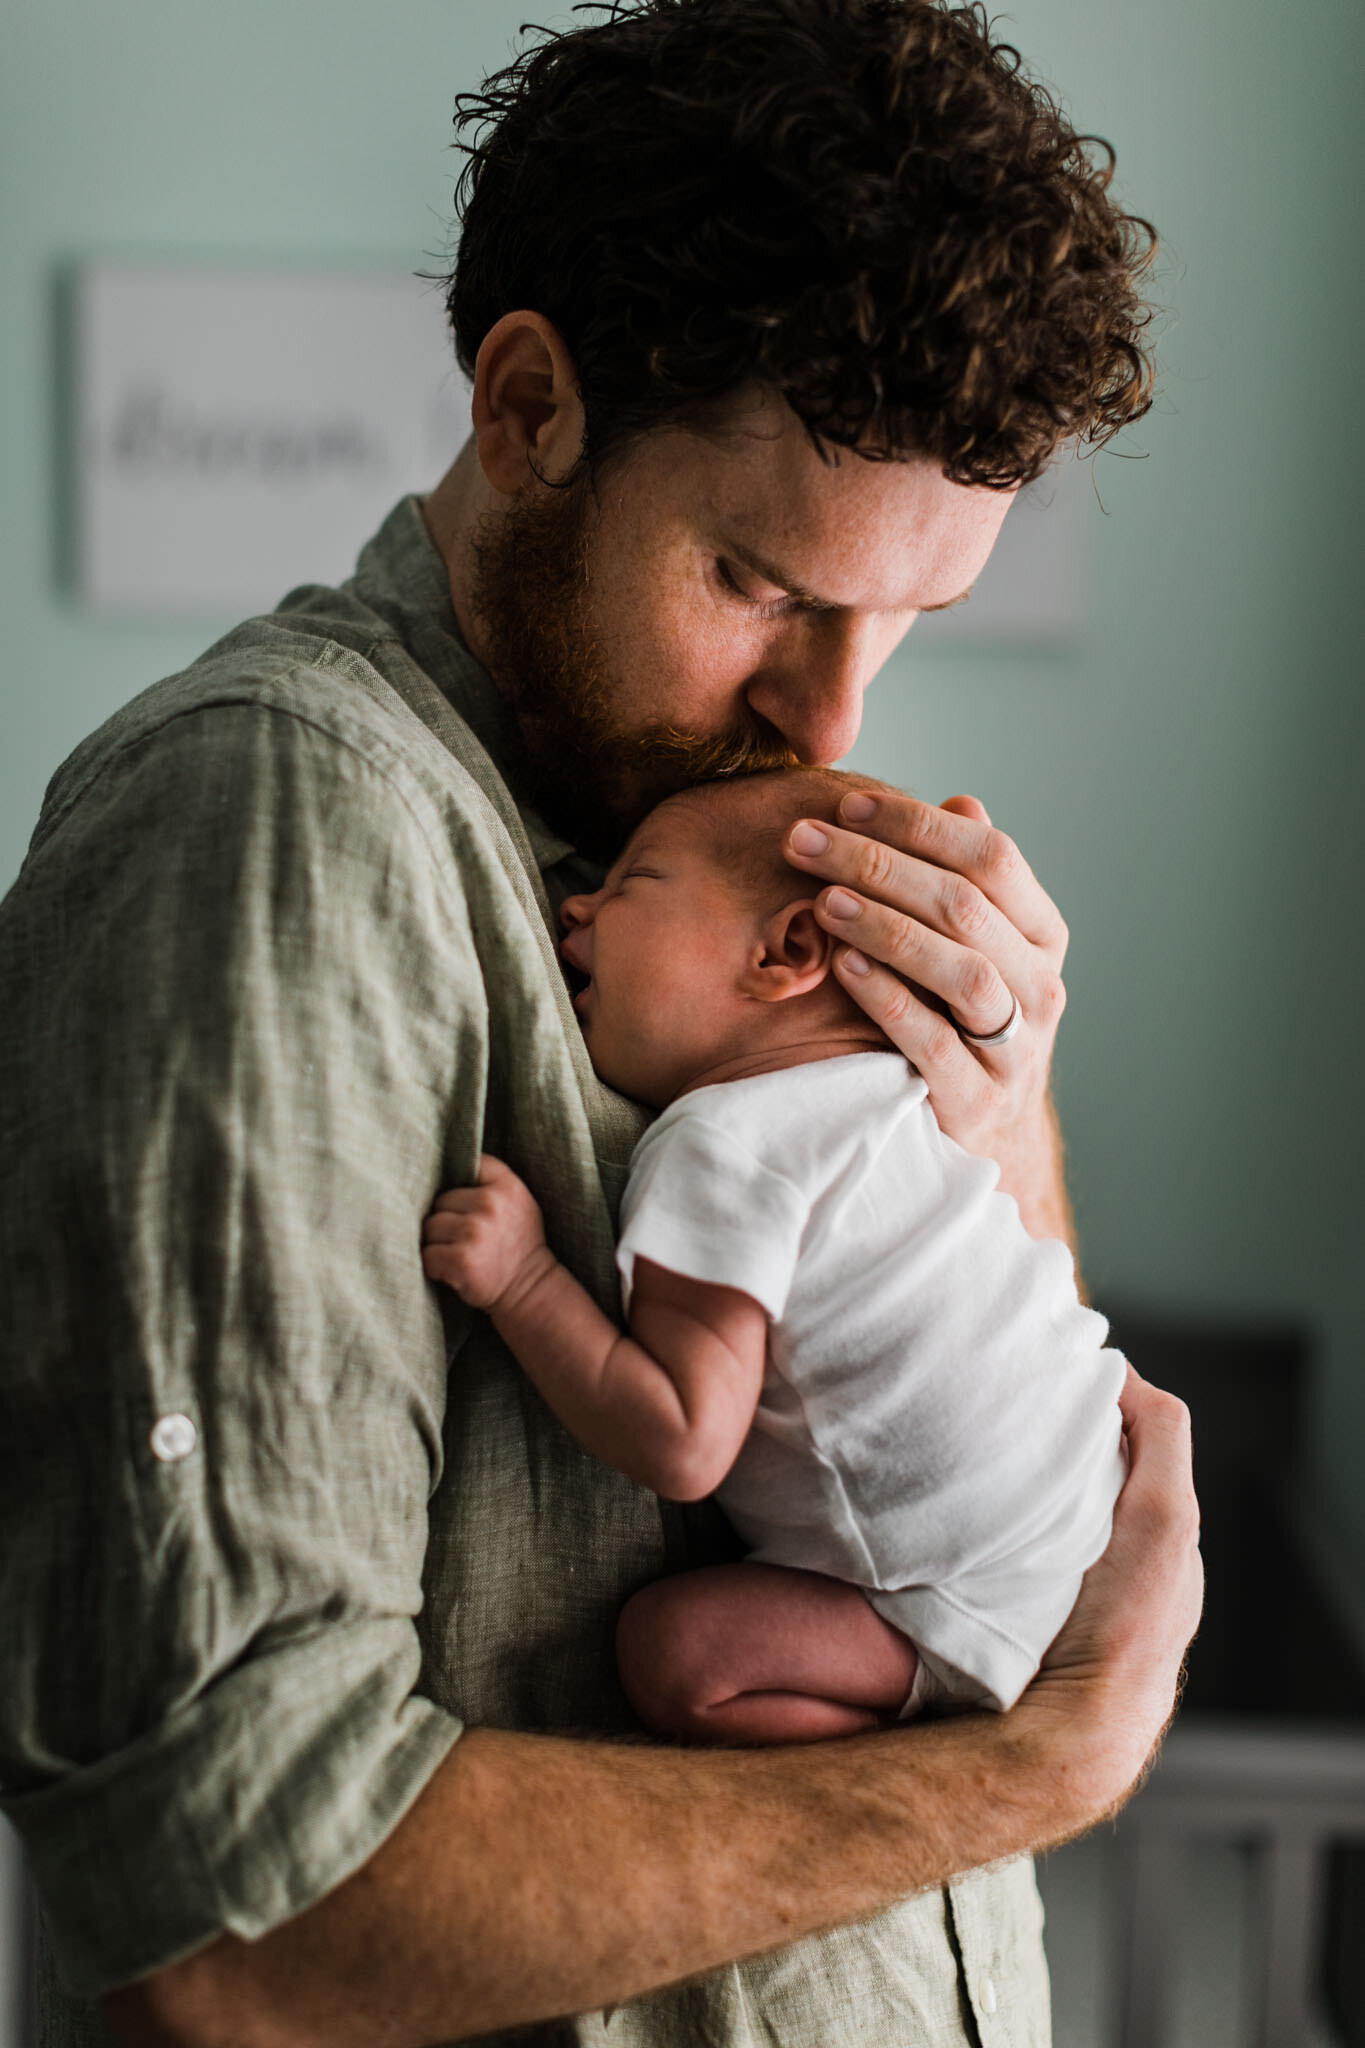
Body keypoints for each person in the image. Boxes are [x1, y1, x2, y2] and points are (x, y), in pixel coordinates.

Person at [0, 4, 1202, 2045]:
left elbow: (956, 1457)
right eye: (757, 580)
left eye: (902, 622)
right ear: (528, 402)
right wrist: (1033, 1766)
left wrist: (996, 1123)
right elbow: (246, 1917)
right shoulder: (285, 824)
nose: (832, 723)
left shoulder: (723, 858)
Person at [422, 764, 1129, 1740]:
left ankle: (924, 1700)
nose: (574, 908)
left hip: (973, 1593)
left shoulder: (722, 1142)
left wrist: (524, 1279)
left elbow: (681, 1437)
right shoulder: (908, 1096)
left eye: (632, 884)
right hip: (1100, 1482)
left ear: (786, 948)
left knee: (671, 1653)